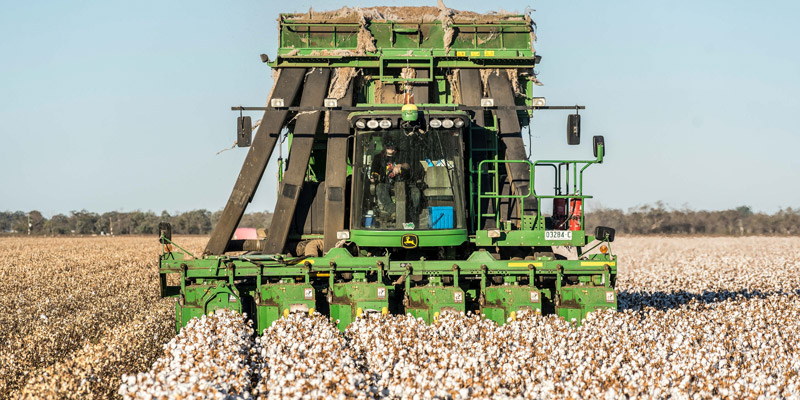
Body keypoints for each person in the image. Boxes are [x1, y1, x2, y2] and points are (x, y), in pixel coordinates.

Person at [370, 136, 421, 224]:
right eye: (388, 147)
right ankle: (394, 211)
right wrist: (373, 177)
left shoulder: (402, 155)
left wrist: (400, 165)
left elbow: (408, 165)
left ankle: (411, 213)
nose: (391, 149)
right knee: (379, 188)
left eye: (392, 147)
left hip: (405, 183)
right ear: (384, 147)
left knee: (416, 193)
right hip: (387, 184)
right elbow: (374, 170)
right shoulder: (378, 157)